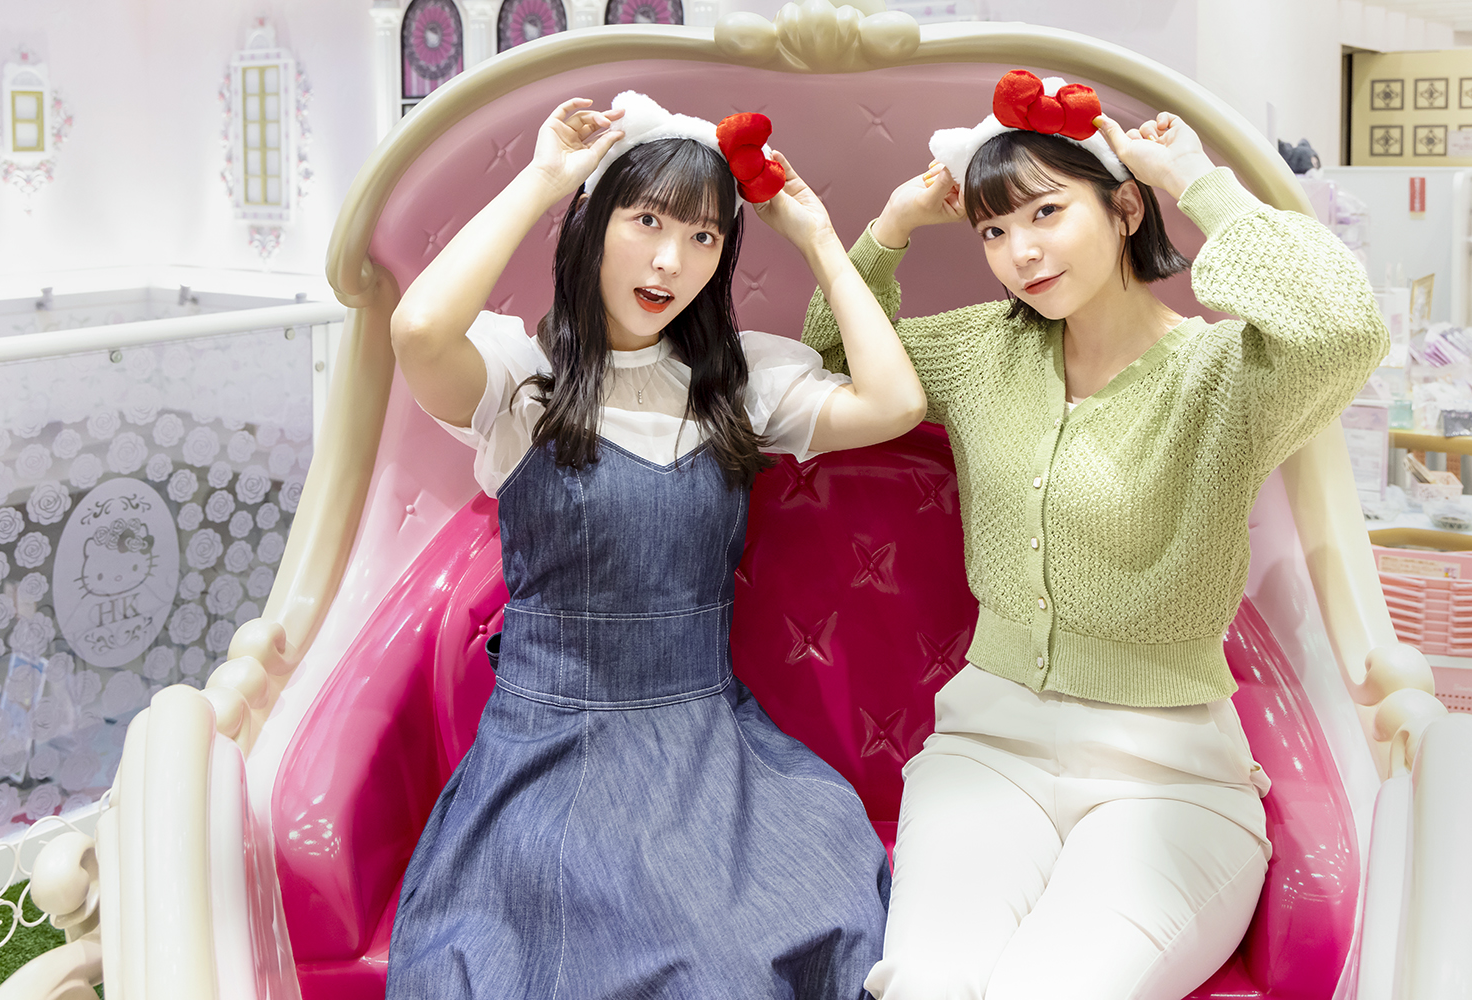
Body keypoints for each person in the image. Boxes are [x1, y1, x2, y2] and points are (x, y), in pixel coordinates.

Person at [803, 70, 1389, 999]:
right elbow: (831, 356)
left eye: (1044, 213)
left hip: (1169, 779)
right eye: (994, 230)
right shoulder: (983, 349)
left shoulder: (1221, 376)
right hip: (986, 752)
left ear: (1123, 209)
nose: (1018, 252)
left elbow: (1341, 326)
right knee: (920, 983)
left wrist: (1195, 176)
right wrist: (896, 225)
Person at [384, 91, 925, 999]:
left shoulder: (734, 383)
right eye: (646, 222)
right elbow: (417, 329)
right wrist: (544, 178)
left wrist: (820, 237)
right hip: (551, 752)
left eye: (706, 237)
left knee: (785, 930)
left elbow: (894, 403)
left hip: (706, 746)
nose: (673, 261)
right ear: (594, 224)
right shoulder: (523, 380)